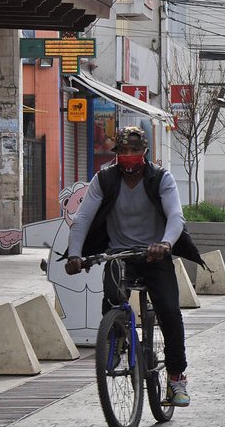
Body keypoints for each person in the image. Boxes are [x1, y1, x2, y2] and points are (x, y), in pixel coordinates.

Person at [65, 126, 190, 407]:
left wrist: (166, 244)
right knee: (111, 301)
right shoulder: (104, 180)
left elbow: (176, 217)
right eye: (123, 151)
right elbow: (82, 219)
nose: (129, 156)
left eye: (134, 151)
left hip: (154, 254)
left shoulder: (160, 178)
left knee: (169, 310)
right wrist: (75, 255)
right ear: (116, 154)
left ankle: (176, 378)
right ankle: (118, 340)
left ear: (144, 153)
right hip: (119, 255)